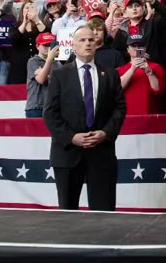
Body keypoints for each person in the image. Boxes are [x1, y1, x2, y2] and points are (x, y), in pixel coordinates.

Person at [43, 25, 128, 211]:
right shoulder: (59, 75)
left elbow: (120, 109)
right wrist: (72, 137)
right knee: (68, 212)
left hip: (101, 153)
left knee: (103, 213)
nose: (88, 43)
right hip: (67, 154)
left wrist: (105, 133)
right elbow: (50, 113)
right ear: (73, 45)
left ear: (97, 44)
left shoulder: (111, 74)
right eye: (82, 40)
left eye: (91, 39)